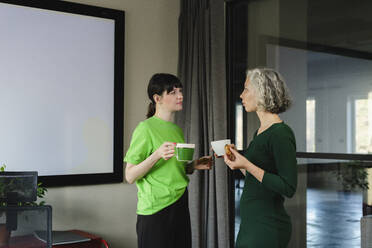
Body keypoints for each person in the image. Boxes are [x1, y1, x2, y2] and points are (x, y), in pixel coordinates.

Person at [124, 73, 212, 248]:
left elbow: (172, 169)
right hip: (155, 210)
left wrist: (193, 165)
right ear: (158, 98)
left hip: (180, 203)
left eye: (180, 91)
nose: (180, 96)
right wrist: (156, 155)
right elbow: (130, 175)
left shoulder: (176, 130)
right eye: (172, 92)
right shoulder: (145, 129)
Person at [222, 68, 297, 247]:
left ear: (262, 92)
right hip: (251, 224)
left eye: (246, 89)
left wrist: (247, 165)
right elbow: (258, 177)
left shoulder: (281, 134)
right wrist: (239, 161)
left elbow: (288, 187)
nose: (241, 95)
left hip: (267, 226)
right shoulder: (260, 132)